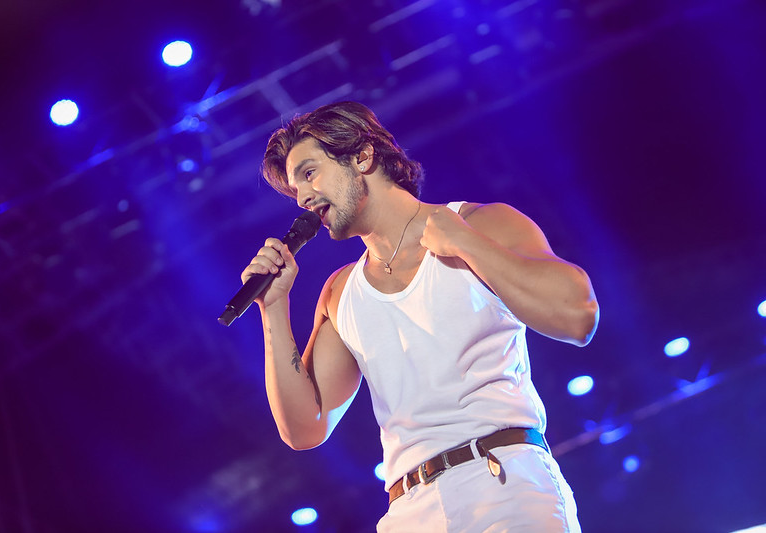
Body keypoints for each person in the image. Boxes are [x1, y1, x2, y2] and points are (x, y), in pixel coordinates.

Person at [241, 101, 599, 532]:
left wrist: (464, 243)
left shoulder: (478, 223)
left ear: (362, 156)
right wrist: (273, 308)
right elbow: (303, 430)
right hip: (409, 508)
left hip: (503, 482)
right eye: (295, 188)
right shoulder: (340, 292)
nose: (302, 197)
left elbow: (578, 316)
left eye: (309, 173)